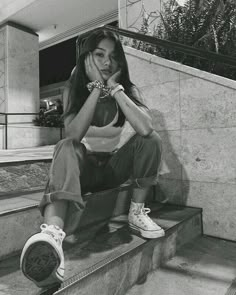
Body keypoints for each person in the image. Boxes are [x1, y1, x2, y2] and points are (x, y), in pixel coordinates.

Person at [20, 29, 165, 289]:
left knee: (150, 140)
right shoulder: (73, 90)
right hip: (82, 169)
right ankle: (52, 236)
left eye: (112, 56)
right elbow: (73, 135)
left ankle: (136, 212)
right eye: (99, 55)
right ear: (87, 58)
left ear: (120, 61)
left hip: (112, 169)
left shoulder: (126, 90)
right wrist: (96, 90)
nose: (107, 62)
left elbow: (145, 129)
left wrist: (115, 90)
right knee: (66, 146)